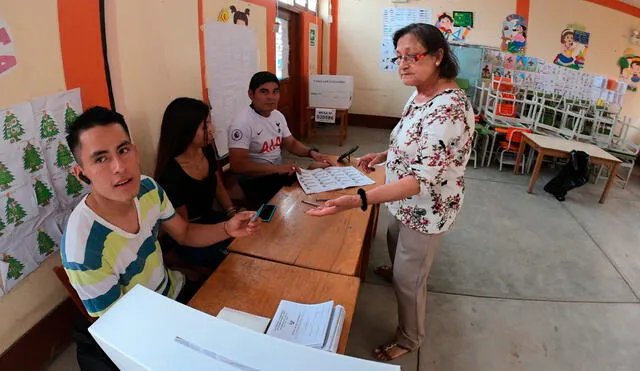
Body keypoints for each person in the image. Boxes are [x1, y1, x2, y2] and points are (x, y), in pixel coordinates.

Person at [306, 23, 474, 361]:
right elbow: (410, 139)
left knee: (410, 281)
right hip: (404, 201)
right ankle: (398, 269)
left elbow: (420, 179)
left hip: (426, 207)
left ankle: (410, 337)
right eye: (398, 57)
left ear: (438, 56)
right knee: (396, 242)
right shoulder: (420, 92)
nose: (403, 64)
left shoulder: (448, 110)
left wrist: (358, 199)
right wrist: (384, 155)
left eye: (412, 56)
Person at [61, 107, 259, 369]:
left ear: (135, 150)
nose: (119, 167)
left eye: (123, 150)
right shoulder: (84, 248)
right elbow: (119, 328)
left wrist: (227, 228)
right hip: (148, 329)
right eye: (100, 159)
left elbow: (185, 233)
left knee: (255, 322)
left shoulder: (148, 189)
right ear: (82, 173)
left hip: (175, 294)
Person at [155, 97, 242, 269]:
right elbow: (185, 231)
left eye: (210, 123)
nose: (212, 130)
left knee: (250, 235)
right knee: (230, 260)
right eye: (205, 126)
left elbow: (217, 184)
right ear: (185, 130)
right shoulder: (171, 173)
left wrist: (232, 212)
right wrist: (225, 228)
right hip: (191, 233)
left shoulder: (206, 150)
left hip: (212, 219)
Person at [228, 71, 335, 207]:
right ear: (251, 94)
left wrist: (312, 153)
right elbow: (238, 165)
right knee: (305, 194)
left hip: (276, 174)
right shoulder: (242, 123)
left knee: (321, 173)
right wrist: (277, 169)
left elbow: (290, 143)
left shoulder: (277, 115)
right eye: (264, 92)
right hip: (254, 179)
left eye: (275, 92)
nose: (271, 97)